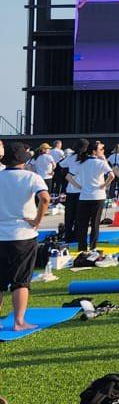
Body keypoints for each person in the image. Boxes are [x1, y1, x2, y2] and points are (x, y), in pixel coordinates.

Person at [0, 142, 50, 334]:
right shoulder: (31, 177)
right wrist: (37, 220)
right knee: (21, 280)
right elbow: (45, 198)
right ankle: (18, 321)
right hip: (22, 233)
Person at [68, 140, 114, 251]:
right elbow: (111, 175)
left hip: (84, 196)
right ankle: (93, 247)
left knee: (82, 224)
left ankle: (82, 247)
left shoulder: (81, 163)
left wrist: (79, 186)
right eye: (101, 149)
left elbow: (68, 177)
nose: (103, 151)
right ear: (94, 151)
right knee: (95, 223)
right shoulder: (101, 163)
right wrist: (104, 185)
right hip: (98, 196)